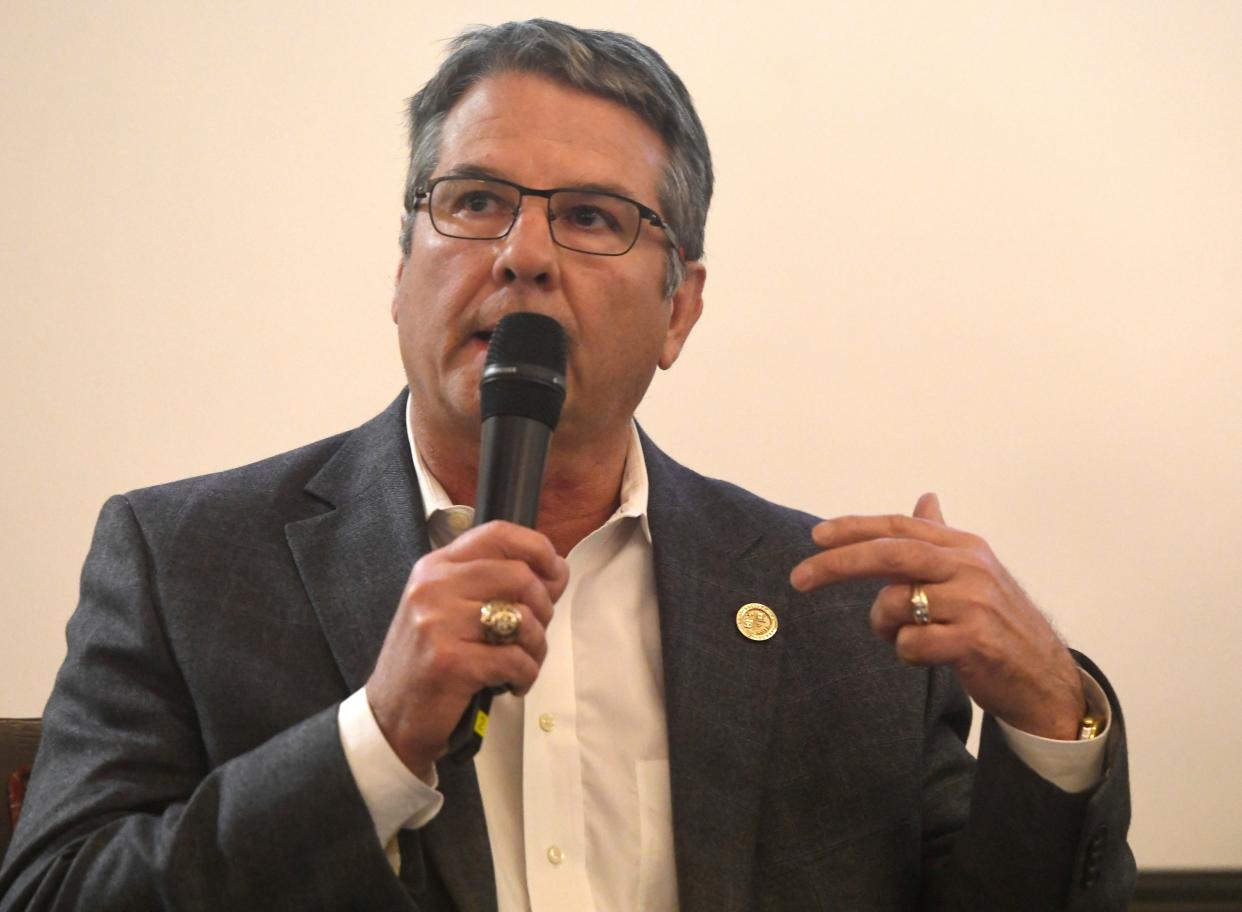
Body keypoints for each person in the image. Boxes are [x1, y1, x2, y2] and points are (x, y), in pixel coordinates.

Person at [0, 19, 1134, 912]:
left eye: (591, 217)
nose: (523, 255)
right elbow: (57, 894)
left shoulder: (844, 612)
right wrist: (375, 739)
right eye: (477, 201)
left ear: (680, 307)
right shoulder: (185, 563)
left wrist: (1047, 714)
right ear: (403, 268)